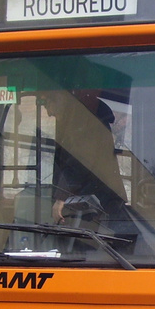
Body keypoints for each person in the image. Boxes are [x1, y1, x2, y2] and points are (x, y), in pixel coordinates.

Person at [39, 88, 126, 225]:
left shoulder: (84, 122)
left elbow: (79, 161)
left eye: (47, 104)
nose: (49, 113)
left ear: (61, 98)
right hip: (93, 199)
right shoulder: (76, 121)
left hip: (101, 200)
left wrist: (60, 198)